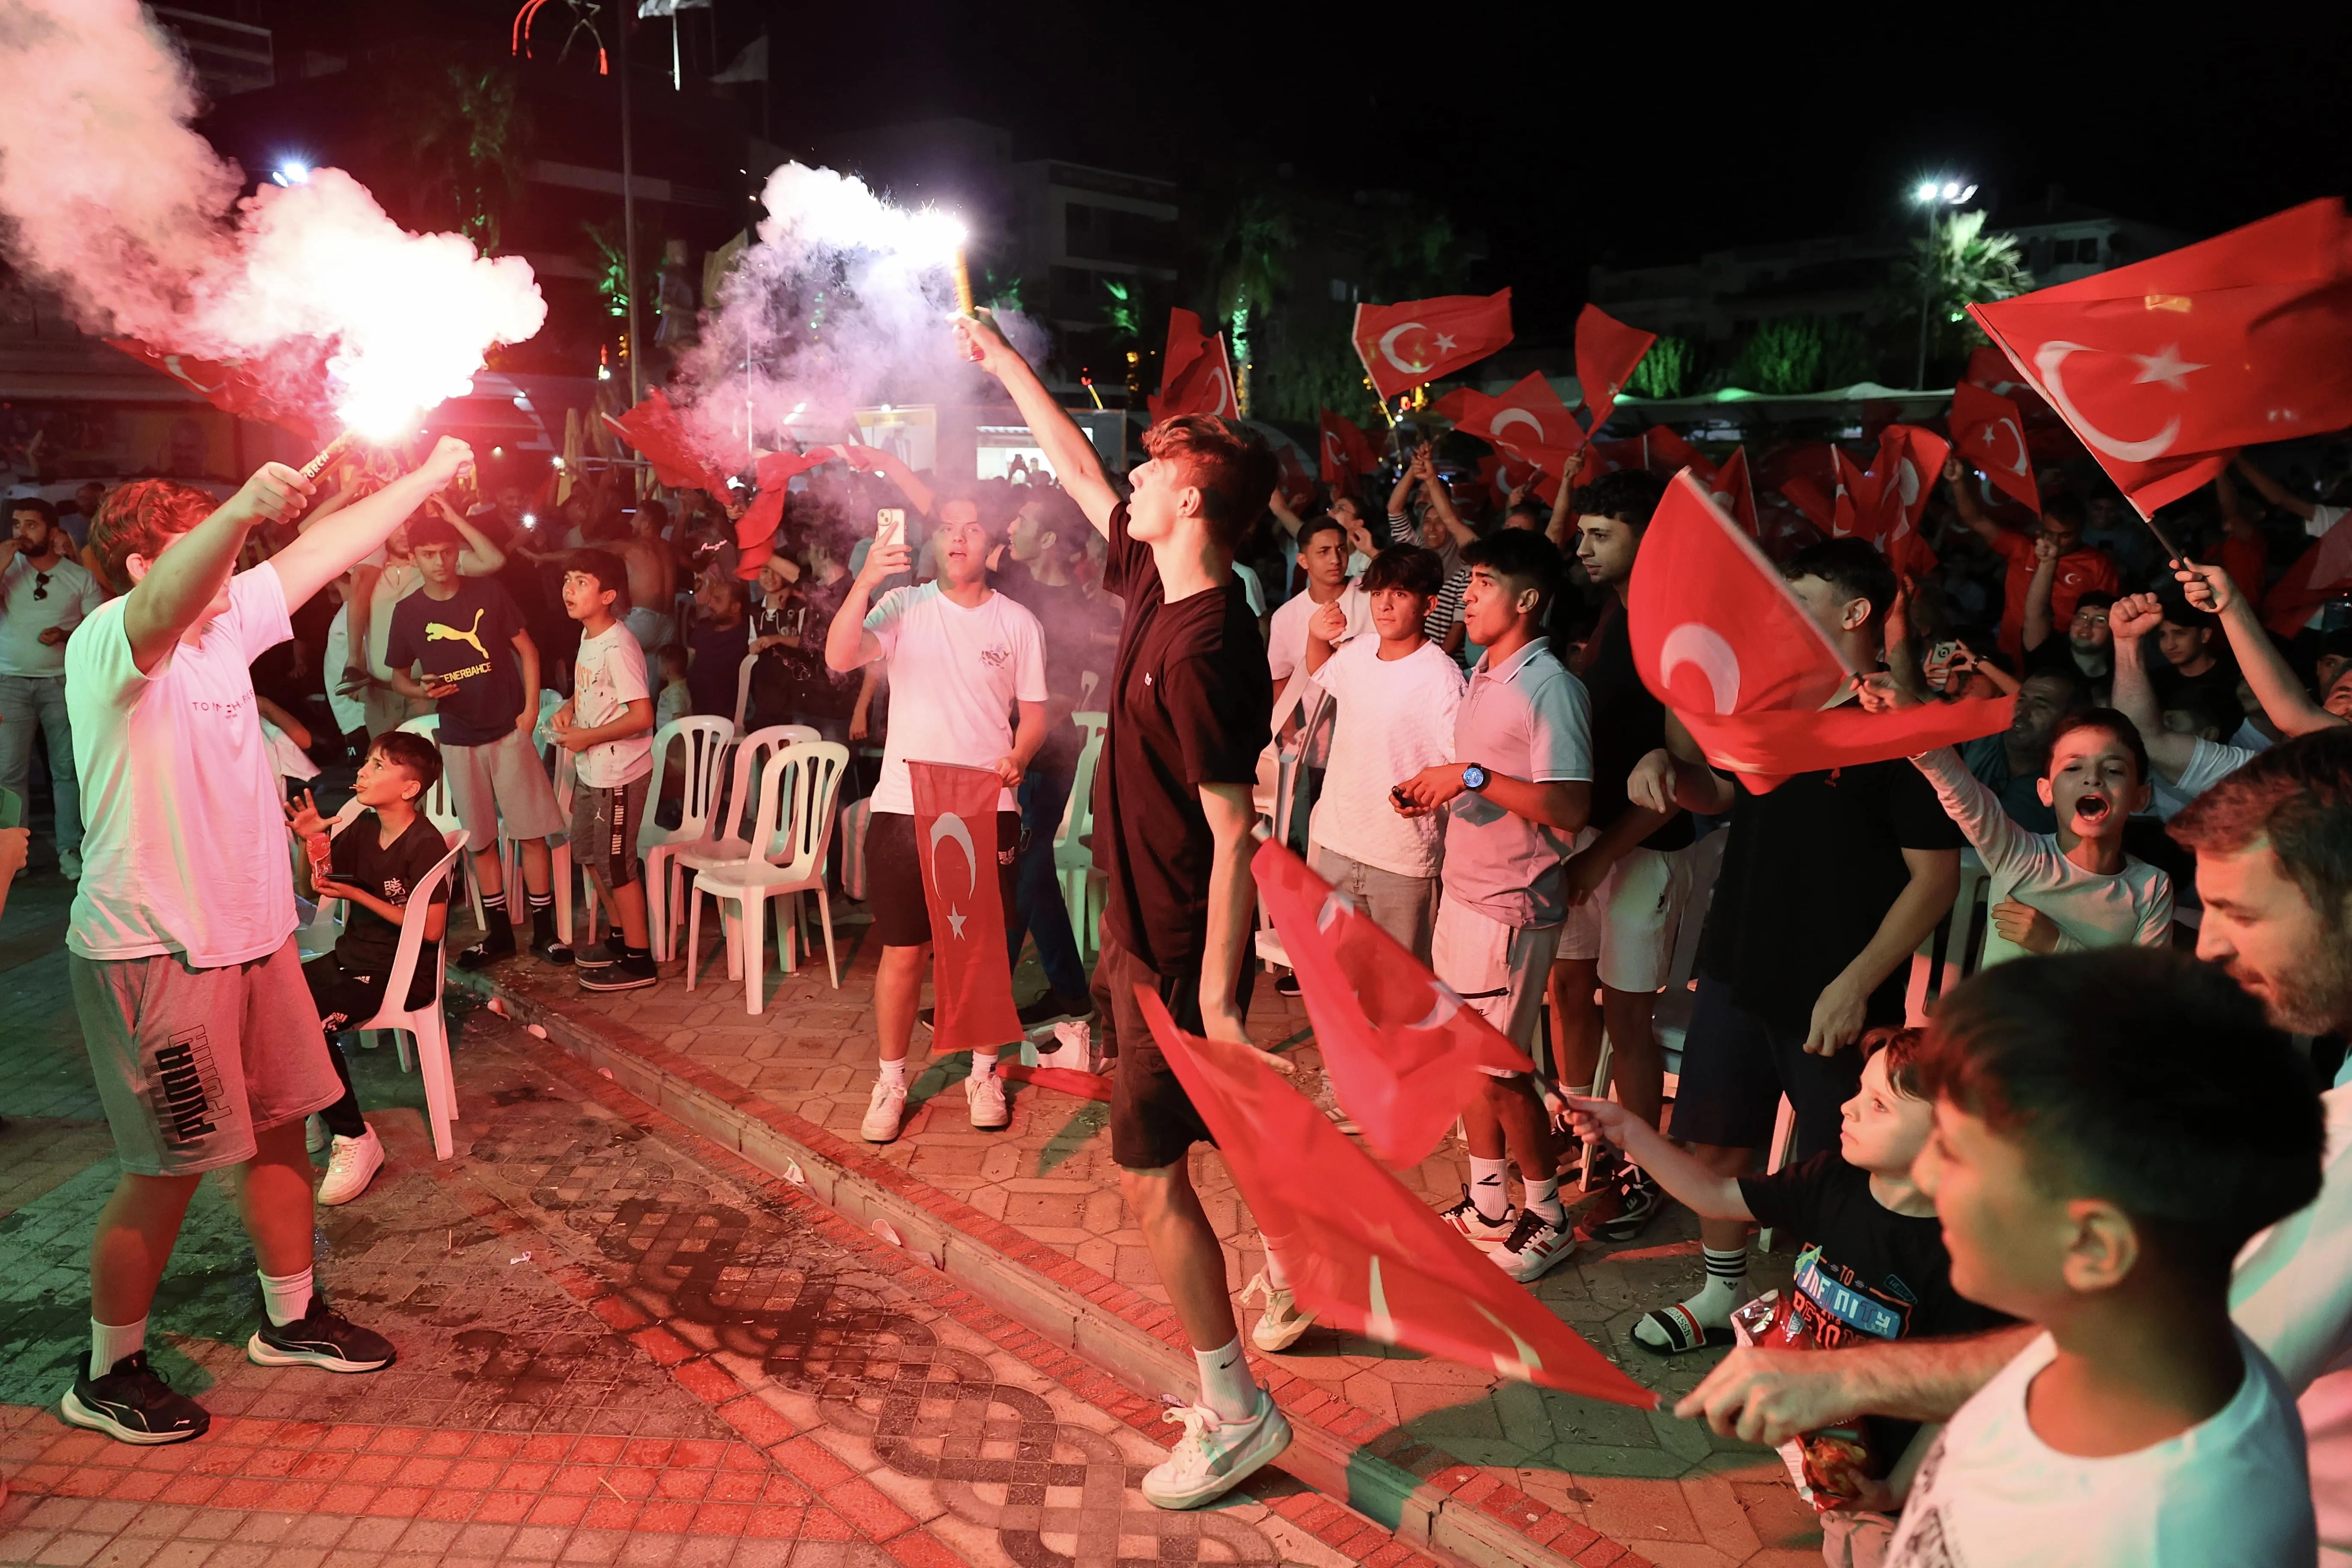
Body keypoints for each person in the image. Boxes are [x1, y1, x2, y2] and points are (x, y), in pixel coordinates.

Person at [1676, 731, 2352, 1564]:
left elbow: (2154, 1355)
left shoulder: (2166, 1500)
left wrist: (1852, 1376)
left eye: (2240, 912)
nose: (2207, 944)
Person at [59, 439, 470, 1445]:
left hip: (253, 939)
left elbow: (325, 547)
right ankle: (107, 1366)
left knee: (287, 1121)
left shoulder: (221, 625)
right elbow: (176, 596)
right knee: (167, 1165)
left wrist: (427, 473)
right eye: (193, 544)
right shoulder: (115, 636)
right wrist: (243, 505)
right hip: (154, 948)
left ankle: (291, 1318)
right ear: (140, 565)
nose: (231, 565)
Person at [961, 307, 1287, 1510]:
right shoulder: (1160, 571)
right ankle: (1296, 1276)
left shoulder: (1207, 643)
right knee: (1213, 1143)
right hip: (1137, 940)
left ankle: (1236, 1410)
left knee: (1152, 1177)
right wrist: (1007, 368)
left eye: (1158, 471)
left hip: (1170, 953)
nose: (1134, 480)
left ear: (1195, 504)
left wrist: (1207, 991)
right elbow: (1077, 468)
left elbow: (1234, 829)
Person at [1623, 539, 1963, 1355]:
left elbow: (1935, 880)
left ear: (1853, 613)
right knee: (1718, 1128)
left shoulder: (1894, 728)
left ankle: (1820, 1313)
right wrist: (1667, 771)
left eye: (1799, 597)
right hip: (1740, 957)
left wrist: (1854, 985)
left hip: (1832, 980)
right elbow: (1730, 796)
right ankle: (1718, 1294)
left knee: (1837, 1155)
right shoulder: (1775, 703)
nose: (1780, 613)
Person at [1880, 949, 2322, 1565]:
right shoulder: (2107, 1349)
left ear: (2092, 1245)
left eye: (1951, 1153)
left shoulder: (2163, 1536)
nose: (1924, 1175)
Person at [1571, 1030, 2007, 1557]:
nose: (1847, 1107)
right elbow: (1713, 1195)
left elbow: (1953, 1399)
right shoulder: (1832, 1180)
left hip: (1900, 1487)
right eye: (1858, 1090)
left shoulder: (1965, 1257)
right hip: (1833, 1453)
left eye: (1878, 1104)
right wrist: (1630, 1130)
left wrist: (1894, 1491)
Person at [1392, 528, 1593, 1284]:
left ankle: (1547, 1214)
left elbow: (1569, 807)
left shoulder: (1551, 687)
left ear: (1528, 599)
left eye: (1481, 581)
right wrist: (1441, 789)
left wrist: (1468, 778)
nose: (1465, 594)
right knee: (1465, 1057)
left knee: (1503, 1069)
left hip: (1510, 905)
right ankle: (1488, 1204)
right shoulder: (1484, 671)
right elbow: (1479, 778)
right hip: (1466, 889)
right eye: (1467, 581)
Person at [824, 486, 1045, 1141]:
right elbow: (840, 657)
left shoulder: (1017, 623)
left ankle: (983, 1073)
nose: (957, 539)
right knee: (902, 950)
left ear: (992, 543)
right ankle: (891, 1082)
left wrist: (1021, 754)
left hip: (985, 805)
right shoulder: (903, 605)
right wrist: (865, 579)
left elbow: (1033, 714)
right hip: (903, 805)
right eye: (947, 528)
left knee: (981, 953)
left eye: (971, 528)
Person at [1552, 468, 1705, 1242]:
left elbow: (1675, 785)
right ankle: (1576, 1124)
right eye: (1581, 533)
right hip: (1591, 839)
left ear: (1648, 537)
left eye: (1599, 534)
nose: (1581, 547)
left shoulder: (1677, 629)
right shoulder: (1612, 611)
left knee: (1629, 1014)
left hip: (1642, 849)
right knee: (1568, 986)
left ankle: (1639, 1169)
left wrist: (1592, 858)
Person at [380, 512, 569, 967]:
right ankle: (498, 932)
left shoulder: (486, 591)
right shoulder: (408, 612)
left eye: (446, 552)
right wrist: (422, 689)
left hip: (506, 727)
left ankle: (545, 931)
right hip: (459, 736)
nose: (440, 562)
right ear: (414, 557)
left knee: (531, 832)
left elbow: (528, 649)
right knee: (481, 839)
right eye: (429, 554)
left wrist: (528, 712)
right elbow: (399, 678)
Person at [1870, 687, 2171, 963]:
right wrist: (1909, 716)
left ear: (2139, 797)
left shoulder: (2150, 887)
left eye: (2113, 769)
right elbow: (1958, 788)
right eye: (2073, 767)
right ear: (2045, 790)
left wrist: (2056, 943)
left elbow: (2142, 998)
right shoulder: (2017, 854)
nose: (2092, 778)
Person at [286, 732, 451, 1206]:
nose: (362, 771)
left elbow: (433, 929)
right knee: (271, 1005)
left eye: (379, 766)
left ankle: (355, 1137)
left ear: (409, 788)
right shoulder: (361, 828)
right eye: (369, 762)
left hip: (395, 974)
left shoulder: (423, 841)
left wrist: (359, 895)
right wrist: (313, 841)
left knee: (307, 1024)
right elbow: (316, 887)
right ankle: (310, 1111)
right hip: (352, 959)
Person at [1296, 544, 1460, 960]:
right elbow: (1321, 670)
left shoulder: (1442, 677)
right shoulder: (1356, 651)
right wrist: (1317, 634)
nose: (1384, 604)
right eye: (1377, 593)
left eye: (1399, 593)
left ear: (1429, 604)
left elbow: (1463, 768)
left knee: (1402, 991)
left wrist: (1428, 795)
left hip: (1402, 859)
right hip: (1335, 842)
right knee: (1336, 978)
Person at [992, 489, 1096, 1028]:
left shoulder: (1070, 609)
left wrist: (1018, 748)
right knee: (1036, 875)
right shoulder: (1019, 585)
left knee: (1017, 877)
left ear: (1050, 538)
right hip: (1015, 752)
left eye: (1024, 519)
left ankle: (983, 1001)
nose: (1011, 526)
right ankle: (1072, 992)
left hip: (1043, 758)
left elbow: (1060, 701)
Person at [551, 549, 660, 990]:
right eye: (567, 579)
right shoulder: (590, 637)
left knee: (618, 865)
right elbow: (595, 690)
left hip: (619, 773)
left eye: (581, 582)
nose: (569, 589)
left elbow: (642, 715)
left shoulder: (619, 643)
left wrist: (587, 736)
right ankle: (618, 936)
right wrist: (569, 706)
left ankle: (639, 959)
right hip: (593, 769)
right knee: (589, 855)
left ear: (608, 594)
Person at [0, 496, 103, 877]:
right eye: (16, 525)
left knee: (66, 770)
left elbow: (96, 631)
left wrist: (65, 633)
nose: (22, 533)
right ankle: (10, 858)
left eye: (31, 525)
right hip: (9, 681)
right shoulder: (8, 569)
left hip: (62, 683)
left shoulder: (79, 578)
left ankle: (70, 849)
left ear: (52, 530)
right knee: (9, 774)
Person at [1266, 515, 1369, 726]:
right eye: (1324, 552)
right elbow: (1281, 679)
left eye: (1341, 549)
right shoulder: (1285, 617)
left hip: (1373, 723)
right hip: (1318, 738)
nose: (1336, 560)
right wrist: (1288, 733)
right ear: (1303, 561)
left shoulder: (1372, 595)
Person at [685, 572, 750, 720]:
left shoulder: (748, 636)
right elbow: (688, 662)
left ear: (735, 608)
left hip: (728, 716)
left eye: (718, 600)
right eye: (712, 598)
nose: (710, 604)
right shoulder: (703, 629)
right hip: (693, 709)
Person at [615, 501, 678, 653]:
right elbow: (698, 566)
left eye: (635, 518)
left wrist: (549, 557)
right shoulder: (670, 549)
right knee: (653, 675)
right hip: (668, 625)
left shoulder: (631, 547)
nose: (631, 522)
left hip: (643, 622)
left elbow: (589, 551)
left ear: (646, 524)